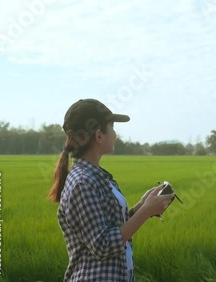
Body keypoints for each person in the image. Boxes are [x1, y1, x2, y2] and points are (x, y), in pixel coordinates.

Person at [48, 98, 174, 281]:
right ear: (99, 136)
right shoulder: (82, 183)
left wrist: (142, 205)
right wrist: (147, 211)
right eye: (112, 128)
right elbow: (103, 245)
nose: (115, 135)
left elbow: (112, 227)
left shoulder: (98, 176)